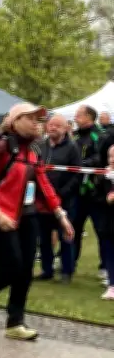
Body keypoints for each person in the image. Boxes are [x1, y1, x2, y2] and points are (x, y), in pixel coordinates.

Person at [0, 103, 73, 340]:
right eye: (30, 118)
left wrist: (61, 214)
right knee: (13, 266)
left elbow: (43, 183)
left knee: (26, 270)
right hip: (3, 216)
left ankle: (15, 322)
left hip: (28, 216)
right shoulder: (1, 146)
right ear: (15, 121)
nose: (37, 123)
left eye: (39, 120)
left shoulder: (33, 151)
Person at [37, 114, 81, 282]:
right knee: (44, 237)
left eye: (57, 125)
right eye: (50, 124)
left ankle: (66, 271)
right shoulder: (41, 145)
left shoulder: (72, 147)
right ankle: (46, 270)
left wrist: (62, 193)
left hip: (65, 200)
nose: (53, 127)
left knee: (66, 236)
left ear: (65, 128)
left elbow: (76, 175)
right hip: (43, 201)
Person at [72, 105, 106, 281]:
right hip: (77, 192)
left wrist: (82, 164)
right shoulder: (75, 136)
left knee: (102, 230)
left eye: (78, 115)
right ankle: (69, 263)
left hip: (95, 192)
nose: (75, 117)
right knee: (73, 228)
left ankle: (105, 267)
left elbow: (101, 158)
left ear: (89, 117)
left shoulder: (99, 135)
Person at [101, 146, 114, 300]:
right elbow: (96, 194)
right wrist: (107, 197)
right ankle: (112, 285)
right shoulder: (103, 175)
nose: (113, 160)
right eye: (110, 156)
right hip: (109, 222)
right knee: (110, 254)